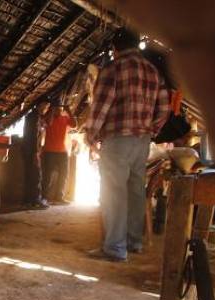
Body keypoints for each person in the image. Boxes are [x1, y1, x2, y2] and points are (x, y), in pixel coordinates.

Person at [84, 28, 170, 262]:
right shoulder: (154, 72)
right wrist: (151, 130)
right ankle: (134, 242)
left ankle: (114, 248)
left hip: (117, 139)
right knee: (135, 190)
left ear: (115, 48)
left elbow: (101, 105)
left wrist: (90, 134)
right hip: (141, 140)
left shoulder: (113, 69)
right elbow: (164, 108)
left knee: (114, 192)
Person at [42, 104, 77, 204]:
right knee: (47, 175)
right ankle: (44, 197)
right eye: (56, 108)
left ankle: (59, 197)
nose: (58, 110)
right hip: (49, 151)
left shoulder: (65, 118)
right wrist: (52, 112)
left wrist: (69, 111)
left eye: (59, 108)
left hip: (62, 151)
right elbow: (48, 123)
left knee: (64, 174)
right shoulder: (48, 118)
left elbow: (75, 125)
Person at [21, 101, 50, 209]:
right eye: (46, 106)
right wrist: (35, 153)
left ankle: (27, 201)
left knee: (29, 175)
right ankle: (36, 200)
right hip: (31, 151)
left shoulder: (31, 116)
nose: (46, 108)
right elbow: (34, 136)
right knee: (36, 175)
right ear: (40, 105)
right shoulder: (35, 118)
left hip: (27, 150)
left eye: (48, 107)